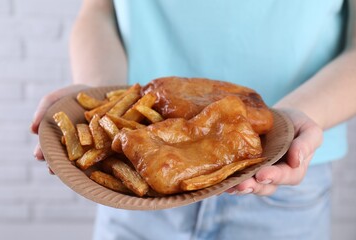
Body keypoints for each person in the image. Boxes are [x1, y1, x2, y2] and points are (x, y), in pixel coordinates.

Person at [31, 0, 356, 239]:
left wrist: (295, 117)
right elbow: (99, 10)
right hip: (133, 186)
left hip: (284, 178)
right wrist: (100, 96)